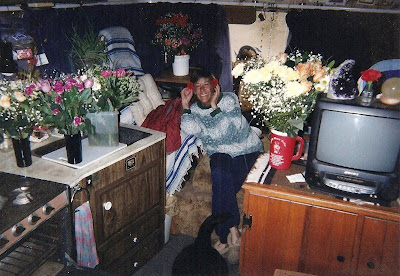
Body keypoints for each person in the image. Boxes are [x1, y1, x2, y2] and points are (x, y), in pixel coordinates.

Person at [180, 68, 263, 260]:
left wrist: (215, 107)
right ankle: (233, 231)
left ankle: (224, 239)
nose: (202, 90)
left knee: (222, 187)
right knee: (219, 175)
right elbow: (190, 127)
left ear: (214, 85)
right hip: (219, 152)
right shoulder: (193, 111)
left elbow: (233, 134)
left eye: (206, 85)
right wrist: (185, 106)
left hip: (244, 149)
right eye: (197, 86)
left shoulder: (228, 100)